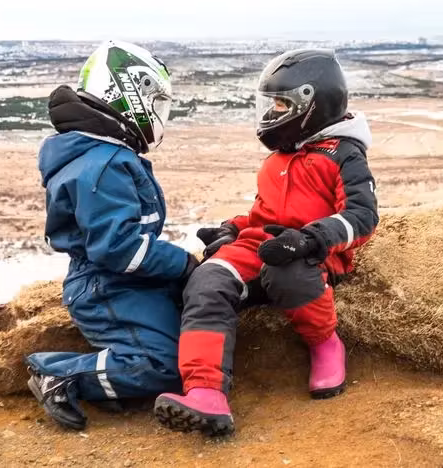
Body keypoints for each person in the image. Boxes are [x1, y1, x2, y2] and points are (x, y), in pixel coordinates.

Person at [154, 49, 378, 436]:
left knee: (284, 271)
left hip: (312, 258)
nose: (273, 113)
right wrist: (232, 229)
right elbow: (264, 216)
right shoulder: (277, 161)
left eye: (281, 104)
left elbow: (362, 217)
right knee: (207, 279)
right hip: (266, 245)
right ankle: (205, 392)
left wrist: (310, 239)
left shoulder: (344, 155)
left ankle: (325, 344)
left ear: (311, 103)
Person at [25, 40, 199, 430]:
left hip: (123, 280)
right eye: (155, 103)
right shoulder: (103, 164)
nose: (159, 115)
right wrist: (183, 263)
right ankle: (62, 374)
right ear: (128, 96)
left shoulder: (105, 154)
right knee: (165, 365)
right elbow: (117, 247)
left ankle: (118, 383)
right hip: (108, 285)